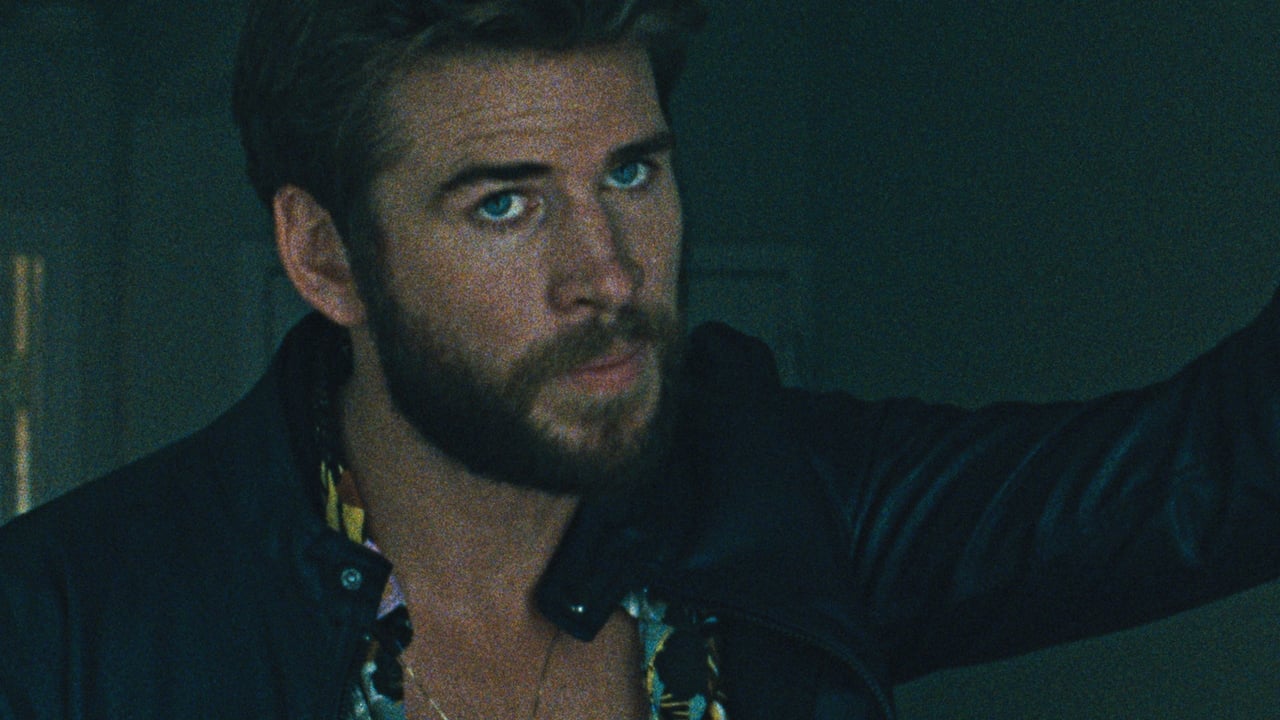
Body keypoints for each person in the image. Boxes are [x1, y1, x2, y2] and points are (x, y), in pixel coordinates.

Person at [2, 0, 1279, 718]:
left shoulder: (780, 496)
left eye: (629, 174)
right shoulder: (68, 624)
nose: (608, 275)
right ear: (325, 254)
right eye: (505, 203)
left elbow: (1211, 474)